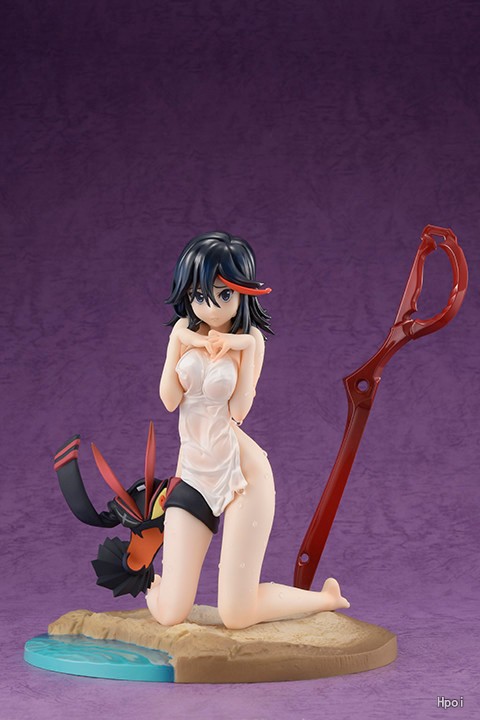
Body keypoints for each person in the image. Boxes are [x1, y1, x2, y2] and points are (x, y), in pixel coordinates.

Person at [146, 231, 349, 629]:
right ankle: (156, 586)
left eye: (224, 294)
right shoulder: (183, 333)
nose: (210, 306)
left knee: (236, 614)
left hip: (243, 474)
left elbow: (238, 411)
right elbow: (170, 400)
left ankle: (325, 599)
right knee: (170, 613)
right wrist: (177, 342)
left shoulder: (250, 339)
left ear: (244, 293)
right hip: (193, 471)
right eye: (199, 294)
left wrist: (246, 350)